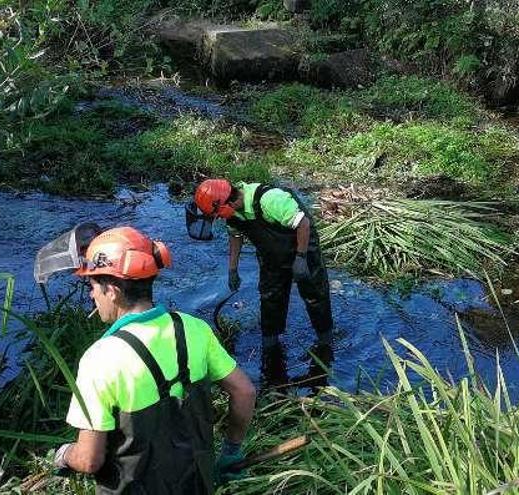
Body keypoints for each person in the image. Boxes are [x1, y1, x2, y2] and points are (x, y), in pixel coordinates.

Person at [52, 226, 256, 494]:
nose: (92, 295)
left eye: (92, 286)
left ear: (112, 290)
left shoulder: (99, 359)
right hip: (197, 484)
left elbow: (90, 460)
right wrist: (231, 450)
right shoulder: (195, 329)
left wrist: (65, 455)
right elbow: (245, 391)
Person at [193, 179, 334, 383]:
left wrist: (301, 258)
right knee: (270, 298)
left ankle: (326, 342)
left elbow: (303, 223)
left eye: (217, 214)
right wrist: (232, 269)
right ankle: (270, 346)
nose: (219, 219)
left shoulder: (270, 200)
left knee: (315, 295)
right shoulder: (234, 214)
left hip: (301, 246)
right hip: (271, 256)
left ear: (227, 204)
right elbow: (236, 235)